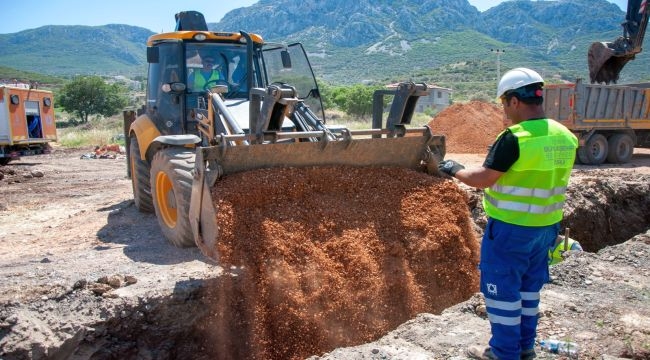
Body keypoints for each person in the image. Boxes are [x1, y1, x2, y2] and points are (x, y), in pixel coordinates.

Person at [437, 67, 579, 360]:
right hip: (546, 229)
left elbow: (484, 179)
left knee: (501, 293)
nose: (504, 110)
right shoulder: (565, 136)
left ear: (515, 101)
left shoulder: (515, 137)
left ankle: (502, 353)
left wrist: (454, 169)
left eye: (504, 103)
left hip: (511, 230)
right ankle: (525, 348)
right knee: (529, 291)